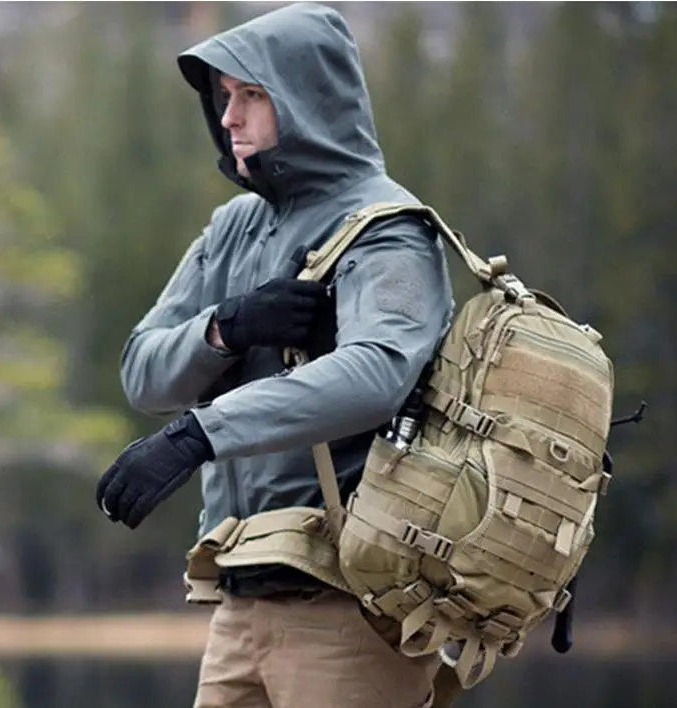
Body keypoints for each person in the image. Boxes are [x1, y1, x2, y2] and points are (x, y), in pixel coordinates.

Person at [96, 3, 460, 707]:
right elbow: (142, 371)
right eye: (224, 96)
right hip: (238, 604)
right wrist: (225, 329)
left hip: (348, 612)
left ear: (307, 98)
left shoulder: (386, 227)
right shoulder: (235, 226)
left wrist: (200, 433)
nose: (229, 117)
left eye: (252, 95)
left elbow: (377, 372)